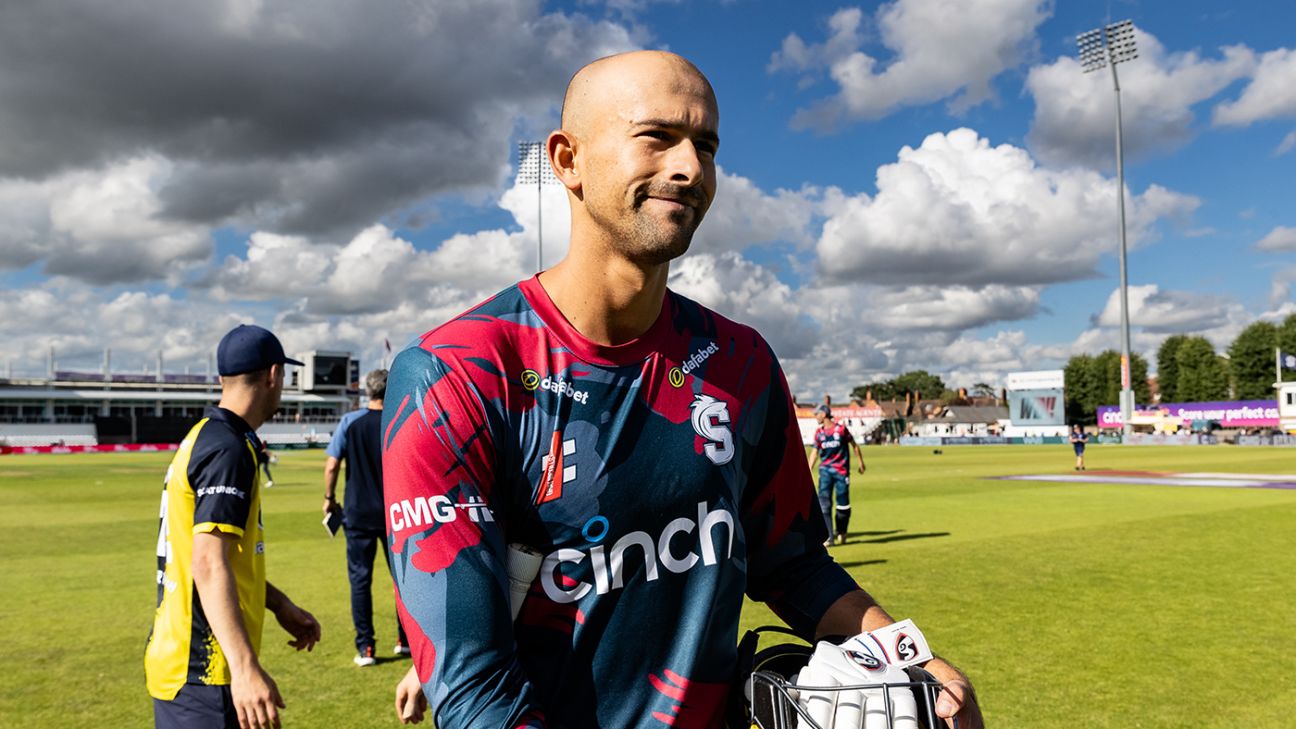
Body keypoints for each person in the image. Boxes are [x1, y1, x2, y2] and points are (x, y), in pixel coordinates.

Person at [384, 51, 981, 729]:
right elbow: (474, 688)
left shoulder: (742, 361)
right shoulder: (454, 371)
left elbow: (791, 562)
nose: (689, 167)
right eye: (657, 137)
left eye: (706, 145)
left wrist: (913, 657)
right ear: (566, 159)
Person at [146, 324, 321, 729]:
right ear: (274, 374)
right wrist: (244, 669)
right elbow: (207, 564)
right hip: (204, 673)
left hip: (186, 668)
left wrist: (279, 604)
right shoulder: (227, 448)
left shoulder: (204, 437)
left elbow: (207, 557)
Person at [323, 368, 409, 666]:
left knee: (360, 580)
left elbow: (331, 465)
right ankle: (406, 640)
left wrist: (329, 498)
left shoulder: (350, 421)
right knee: (403, 581)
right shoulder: (398, 420)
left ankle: (366, 648)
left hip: (358, 513)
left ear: (368, 392)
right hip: (395, 512)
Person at [808, 405, 866, 546]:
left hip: (841, 472)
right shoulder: (819, 433)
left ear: (824, 414)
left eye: (817, 414)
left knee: (843, 505)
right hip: (825, 472)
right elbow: (815, 452)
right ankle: (828, 537)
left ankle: (842, 532)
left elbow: (854, 445)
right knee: (824, 505)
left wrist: (861, 463)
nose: (815, 416)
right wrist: (808, 470)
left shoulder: (841, 430)